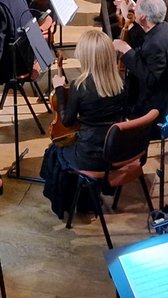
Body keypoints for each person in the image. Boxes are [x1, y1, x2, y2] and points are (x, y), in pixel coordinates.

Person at [40, 28, 132, 218]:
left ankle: (69, 201)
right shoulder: (121, 82)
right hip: (114, 152)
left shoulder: (80, 86)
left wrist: (58, 88)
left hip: (90, 155)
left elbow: (67, 120)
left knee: (54, 151)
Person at [113, 0, 168, 118]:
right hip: (161, 91)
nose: (134, 11)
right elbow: (145, 37)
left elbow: (150, 79)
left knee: (112, 100)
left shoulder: (156, 44)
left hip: (154, 107)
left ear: (143, 17)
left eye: (136, 10)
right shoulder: (163, 27)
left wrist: (127, 51)